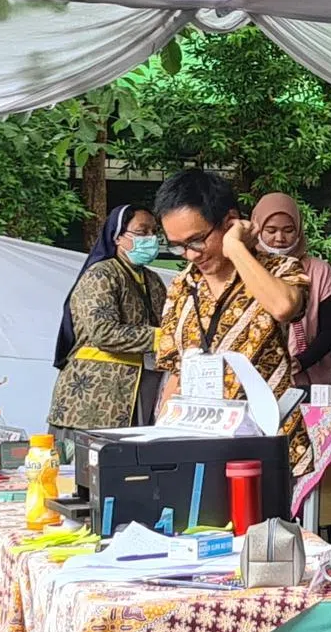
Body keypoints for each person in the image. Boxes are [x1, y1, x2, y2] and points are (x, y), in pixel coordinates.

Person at [153, 170, 314, 477]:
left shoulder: (279, 269)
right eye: (178, 246)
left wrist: (236, 248)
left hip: (264, 447)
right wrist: (161, 441)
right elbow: (176, 372)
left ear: (229, 221)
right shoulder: (181, 286)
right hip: (198, 445)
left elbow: (283, 307)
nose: (190, 254)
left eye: (197, 240)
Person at [48, 205, 167, 443]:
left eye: (154, 232)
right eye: (142, 232)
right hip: (93, 397)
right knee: (80, 471)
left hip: (141, 392)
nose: (151, 239)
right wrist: (162, 338)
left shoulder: (153, 280)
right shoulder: (101, 275)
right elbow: (104, 332)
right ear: (118, 236)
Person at [250, 193, 331, 389]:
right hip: (255, 379)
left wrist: (300, 361)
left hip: (310, 381)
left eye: (288, 230)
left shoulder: (319, 271)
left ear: (299, 230)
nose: (280, 238)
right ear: (256, 228)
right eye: (271, 230)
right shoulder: (247, 269)